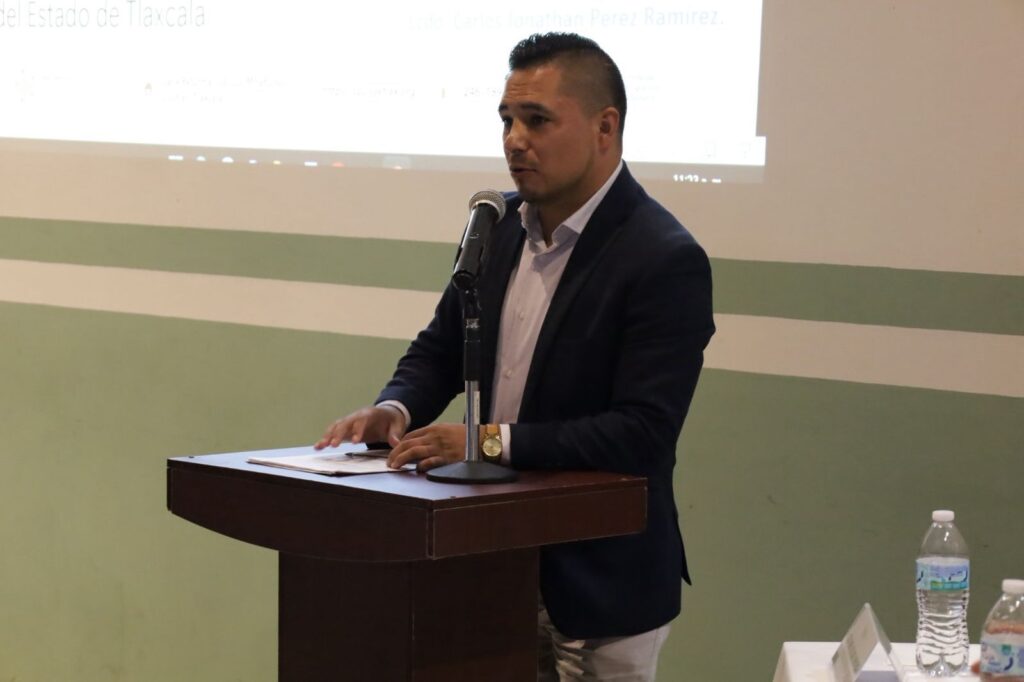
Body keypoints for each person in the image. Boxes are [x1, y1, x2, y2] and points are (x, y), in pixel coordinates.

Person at [315, 32, 715, 681]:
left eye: (537, 120)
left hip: (600, 583)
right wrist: (396, 406)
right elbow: (443, 346)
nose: (514, 140)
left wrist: (485, 442)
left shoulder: (663, 258)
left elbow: (641, 432)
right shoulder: (496, 226)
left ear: (605, 127)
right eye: (506, 120)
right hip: (490, 565)